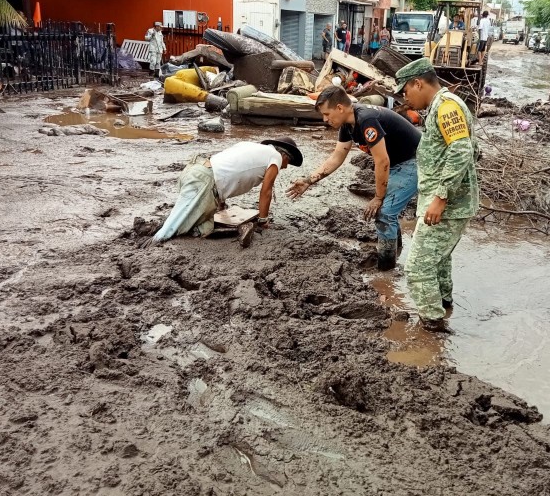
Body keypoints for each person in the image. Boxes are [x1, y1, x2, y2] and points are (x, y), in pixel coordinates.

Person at [287, 86, 421, 270]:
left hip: (415, 160)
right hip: (398, 162)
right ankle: (395, 252)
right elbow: (337, 157)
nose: (325, 120)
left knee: (384, 213)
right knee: (387, 212)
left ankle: (387, 269)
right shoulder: (347, 125)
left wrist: (378, 197)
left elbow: (382, 162)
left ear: (340, 108)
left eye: (327, 114)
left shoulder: (367, 119)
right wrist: (309, 181)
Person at [394, 58, 479, 331]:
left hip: (446, 204)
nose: (405, 98)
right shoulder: (443, 107)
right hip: (446, 202)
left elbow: (462, 150)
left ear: (418, 83)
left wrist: (440, 197)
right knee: (439, 261)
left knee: (417, 267)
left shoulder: (447, 107)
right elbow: (467, 149)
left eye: (406, 91)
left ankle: (433, 327)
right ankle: (444, 304)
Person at [151, 138, 303, 244]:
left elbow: (226, 168)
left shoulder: (248, 146)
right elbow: (266, 191)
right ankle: (155, 242)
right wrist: (263, 220)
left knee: (187, 219)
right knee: (177, 228)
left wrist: (221, 203)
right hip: (205, 182)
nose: (285, 167)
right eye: (287, 162)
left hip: (196, 170)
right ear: (284, 155)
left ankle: (163, 227)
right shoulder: (275, 157)